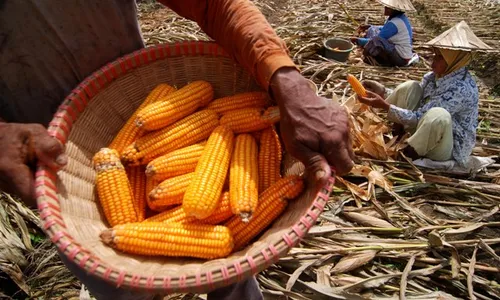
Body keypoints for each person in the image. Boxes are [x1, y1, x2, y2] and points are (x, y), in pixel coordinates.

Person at [0, 1, 354, 299]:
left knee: (231, 278)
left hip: (137, 95)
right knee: (125, 290)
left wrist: (286, 77)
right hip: (53, 161)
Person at [357, 21, 493, 166]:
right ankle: (398, 136)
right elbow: (420, 100)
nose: (433, 62)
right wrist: (383, 91)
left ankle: (405, 155)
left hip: (446, 146)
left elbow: (421, 116)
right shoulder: (437, 76)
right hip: (426, 132)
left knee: (439, 116)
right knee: (412, 87)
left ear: (454, 61)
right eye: (435, 55)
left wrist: (385, 106)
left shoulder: (461, 89)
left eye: (440, 57)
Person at [351, 0, 416, 67]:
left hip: (401, 58)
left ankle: (373, 57)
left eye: (388, 8)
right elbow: (384, 29)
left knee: (376, 40)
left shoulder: (395, 23)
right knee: (372, 29)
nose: (385, 8)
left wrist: (358, 40)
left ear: (395, 10)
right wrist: (370, 27)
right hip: (396, 50)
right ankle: (369, 48)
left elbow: (376, 41)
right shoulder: (398, 18)